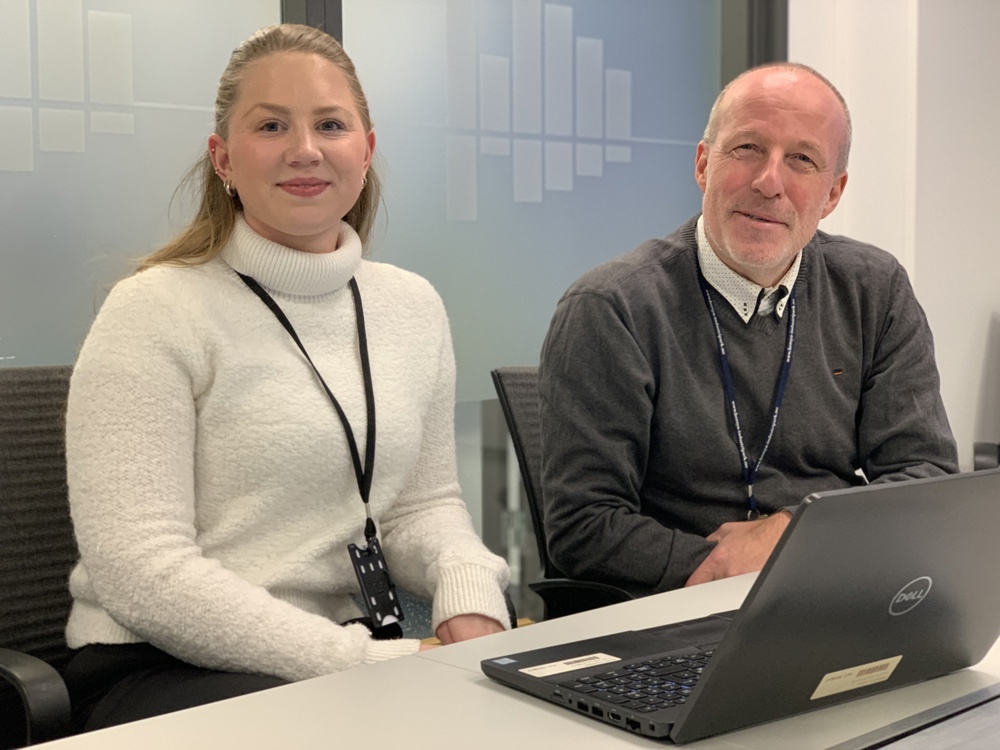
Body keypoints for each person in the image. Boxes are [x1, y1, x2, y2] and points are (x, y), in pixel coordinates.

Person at [62, 23, 509, 731]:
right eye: (271, 125)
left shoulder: (411, 305)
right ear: (224, 159)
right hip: (164, 667)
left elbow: (422, 507)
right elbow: (140, 572)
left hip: (352, 653)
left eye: (330, 124)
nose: (305, 149)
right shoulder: (154, 310)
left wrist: (469, 589)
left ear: (365, 147)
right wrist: (357, 663)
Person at [538, 62, 958, 597]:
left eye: (802, 160)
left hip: (832, 590)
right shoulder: (612, 307)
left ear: (832, 194)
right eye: (747, 149)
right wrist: (728, 568)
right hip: (672, 610)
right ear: (703, 164)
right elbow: (583, 528)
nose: (769, 182)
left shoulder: (875, 291)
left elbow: (927, 479)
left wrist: (790, 533)